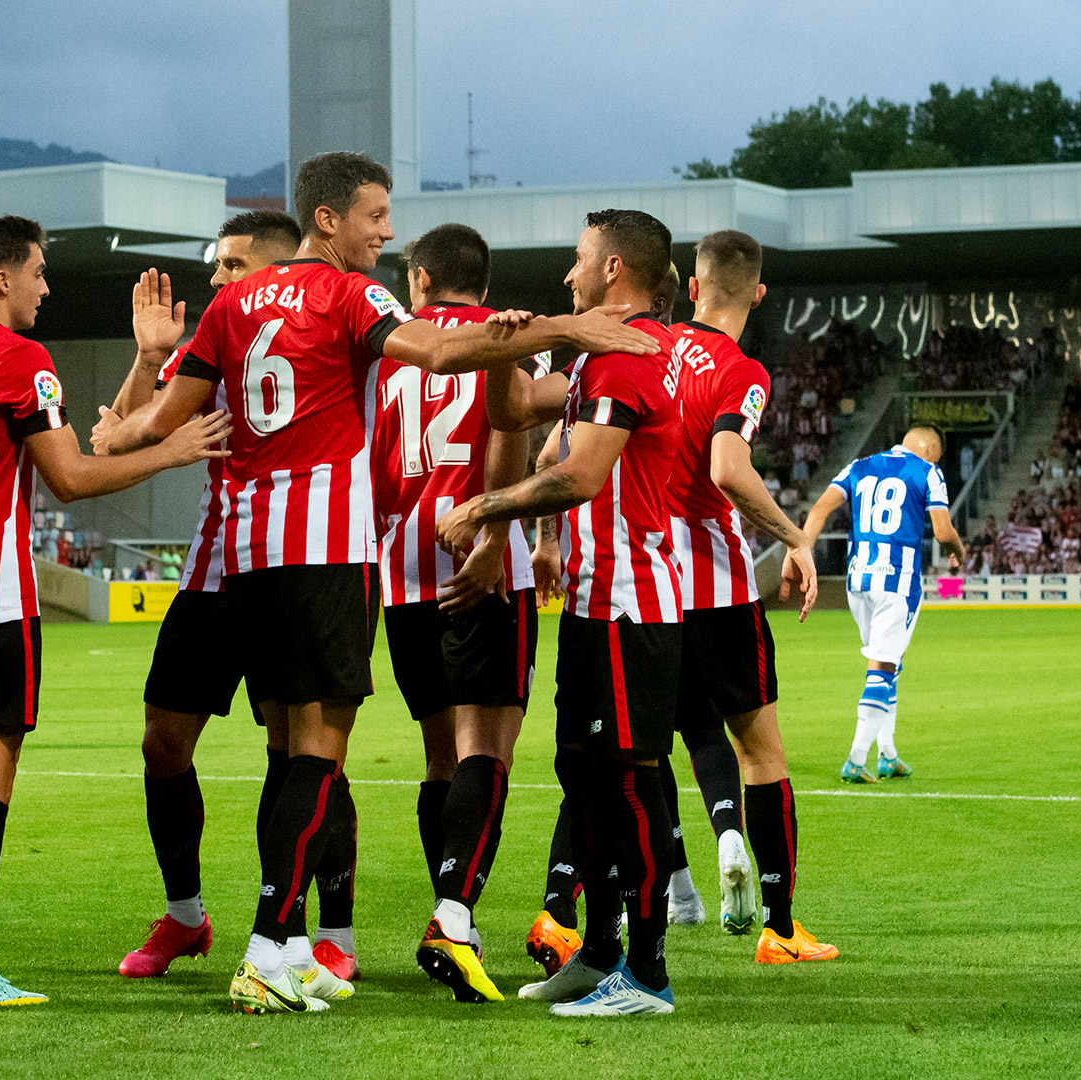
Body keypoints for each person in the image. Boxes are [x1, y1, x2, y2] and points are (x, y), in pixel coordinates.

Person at [109, 156, 659, 1015]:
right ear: (327, 221)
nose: (386, 230)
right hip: (327, 549)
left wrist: (127, 406)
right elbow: (441, 348)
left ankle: (290, 944)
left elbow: (146, 427)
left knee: (290, 751)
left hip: (246, 557)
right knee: (318, 755)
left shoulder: (228, 305)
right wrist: (566, 329)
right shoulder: (347, 296)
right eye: (374, 214)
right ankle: (268, 947)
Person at [0, 214, 229, 1009]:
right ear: (1, 278)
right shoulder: (19, 358)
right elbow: (68, 477)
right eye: (36, 271)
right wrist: (169, 451)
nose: (44, 286)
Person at [94, 210, 353, 981]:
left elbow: (119, 439)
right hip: (218, 562)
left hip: (301, 558)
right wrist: (148, 359)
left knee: (302, 745)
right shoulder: (224, 341)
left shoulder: (320, 339)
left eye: (231, 266)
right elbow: (118, 431)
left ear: (274, 270)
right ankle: (185, 918)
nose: (216, 280)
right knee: (161, 741)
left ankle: (317, 932)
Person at [439, 208, 685, 1017]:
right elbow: (513, 413)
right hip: (592, 599)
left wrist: (486, 508)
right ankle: (603, 953)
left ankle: (646, 973)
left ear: (614, 269)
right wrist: (508, 350)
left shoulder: (627, 362)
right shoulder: (598, 358)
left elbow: (580, 477)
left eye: (580, 259)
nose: (567, 275)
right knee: (583, 779)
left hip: (630, 604)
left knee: (628, 782)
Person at [368, 224, 541, 1004]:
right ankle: (452, 914)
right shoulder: (508, 337)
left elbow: (369, 463)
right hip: (476, 560)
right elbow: (511, 430)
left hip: (400, 569)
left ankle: (451, 910)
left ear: (422, 278)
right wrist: (497, 535)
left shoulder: (394, 350)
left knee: (441, 756)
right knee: (486, 751)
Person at [665, 230, 832, 963]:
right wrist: (796, 538)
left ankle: (604, 927)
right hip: (717, 586)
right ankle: (781, 927)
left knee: (638, 755)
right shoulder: (741, 371)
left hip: (641, 586)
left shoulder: (647, 347)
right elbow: (729, 468)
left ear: (692, 287)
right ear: (757, 294)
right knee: (761, 752)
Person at [798, 425, 966, 783]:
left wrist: (801, 553)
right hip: (897, 581)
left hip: (858, 582)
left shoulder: (859, 466)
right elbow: (942, 531)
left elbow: (818, 511)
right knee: (882, 669)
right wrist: (959, 552)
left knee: (888, 662)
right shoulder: (928, 471)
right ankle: (857, 759)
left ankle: (887, 753)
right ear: (931, 449)